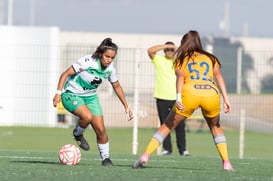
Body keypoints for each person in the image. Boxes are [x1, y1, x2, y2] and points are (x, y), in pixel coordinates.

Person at [133, 30, 233, 171]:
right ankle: (226, 162)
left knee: (167, 126)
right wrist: (226, 99)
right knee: (215, 127)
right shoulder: (211, 58)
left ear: (183, 43)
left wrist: (178, 97)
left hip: (190, 94)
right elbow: (219, 77)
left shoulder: (181, 58)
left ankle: (145, 156)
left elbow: (180, 78)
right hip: (211, 94)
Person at [53, 38, 133, 166]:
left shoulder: (110, 69)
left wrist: (126, 106)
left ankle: (106, 159)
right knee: (88, 116)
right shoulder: (87, 62)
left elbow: (116, 86)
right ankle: (78, 133)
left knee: (101, 130)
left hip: (90, 97)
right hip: (71, 94)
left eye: (112, 58)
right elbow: (64, 74)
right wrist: (58, 93)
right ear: (101, 53)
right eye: (107, 56)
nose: (109, 60)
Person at [147, 42, 190, 156]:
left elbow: (187, 54)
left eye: (171, 50)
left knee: (180, 125)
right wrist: (165, 46)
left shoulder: (179, 61)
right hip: (162, 97)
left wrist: (177, 49)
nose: (170, 52)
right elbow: (150, 50)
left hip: (177, 98)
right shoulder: (159, 59)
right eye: (167, 50)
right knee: (164, 124)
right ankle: (167, 149)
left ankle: (183, 150)